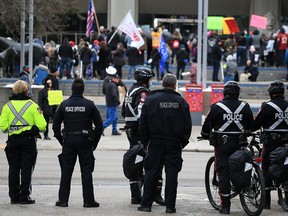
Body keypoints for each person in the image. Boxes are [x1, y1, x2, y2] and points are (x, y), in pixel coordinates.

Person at [138, 73, 192, 213]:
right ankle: (170, 206)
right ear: (175, 85)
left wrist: (145, 142)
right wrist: (182, 142)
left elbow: (142, 123)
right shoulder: (181, 102)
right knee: (172, 174)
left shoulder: (151, 100)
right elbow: (187, 126)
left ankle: (146, 205)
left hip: (155, 141)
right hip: (174, 142)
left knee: (151, 173)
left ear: (162, 84)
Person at [201, 81, 254, 214]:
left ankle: (225, 206)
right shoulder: (245, 106)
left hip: (223, 145)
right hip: (240, 143)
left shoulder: (216, 107)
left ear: (224, 93)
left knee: (223, 172)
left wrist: (205, 135)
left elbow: (206, 127)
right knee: (242, 166)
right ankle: (244, 187)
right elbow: (251, 126)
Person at [52, 78, 103, 207]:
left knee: (66, 171)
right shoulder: (89, 104)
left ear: (72, 89)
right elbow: (99, 126)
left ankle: (63, 200)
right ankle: (88, 201)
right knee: (86, 171)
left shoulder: (64, 105)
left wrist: (62, 141)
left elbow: (55, 126)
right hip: (85, 140)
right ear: (83, 89)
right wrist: (94, 143)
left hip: (69, 140)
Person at [121, 67, 165, 206]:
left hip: (131, 130)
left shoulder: (130, 90)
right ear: (145, 80)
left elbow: (123, 111)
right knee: (150, 161)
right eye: (149, 79)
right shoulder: (142, 92)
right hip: (140, 131)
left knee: (135, 161)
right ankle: (153, 194)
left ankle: (135, 195)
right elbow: (142, 112)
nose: (150, 82)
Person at [0, 80, 46, 204]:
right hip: (28, 141)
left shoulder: (7, 106)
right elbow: (42, 126)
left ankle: (14, 197)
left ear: (14, 90)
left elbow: (3, 127)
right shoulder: (33, 106)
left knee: (13, 169)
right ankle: (24, 197)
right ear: (27, 91)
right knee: (26, 169)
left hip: (13, 141)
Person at [251, 81, 288, 209]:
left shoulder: (266, 106)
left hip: (272, 143)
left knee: (265, 167)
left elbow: (256, 125)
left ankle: (266, 202)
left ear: (270, 93)